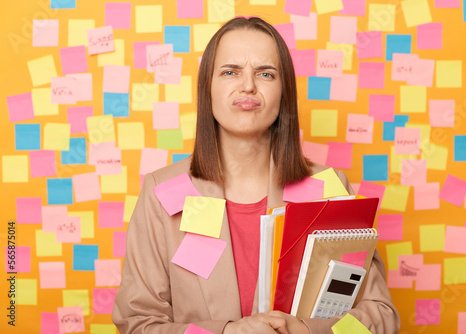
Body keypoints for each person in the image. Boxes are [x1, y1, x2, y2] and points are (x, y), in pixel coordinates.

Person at [112, 17, 400, 334]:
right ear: (207, 89)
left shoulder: (328, 188)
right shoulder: (160, 193)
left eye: (265, 73)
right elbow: (137, 324)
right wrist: (225, 332)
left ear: (284, 91)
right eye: (230, 72)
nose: (248, 85)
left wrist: (308, 330)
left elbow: (380, 317)